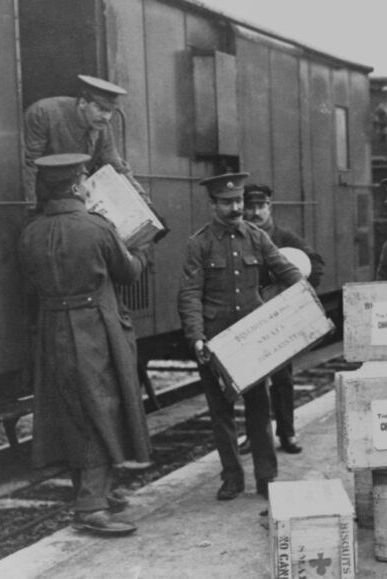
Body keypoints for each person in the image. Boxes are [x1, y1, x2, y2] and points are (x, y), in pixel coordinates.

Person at [17, 153, 152, 537]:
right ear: (77, 185)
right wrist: (142, 250)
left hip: (51, 327)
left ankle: (94, 493)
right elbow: (127, 273)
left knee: (72, 409)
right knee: (102, 408)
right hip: (94, 328)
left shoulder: (30, 232)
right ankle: (91, 506)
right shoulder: (97, 227)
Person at [177, 173, 303, 501]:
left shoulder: (257, 237)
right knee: (221, 413)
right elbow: (190, 293)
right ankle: (232, 477)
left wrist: (304, 297)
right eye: (227, 202)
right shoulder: (199, 243)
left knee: (259, 408)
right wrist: (197, 337)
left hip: (252, 340)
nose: (236, 208)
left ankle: (266, 477)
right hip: (216, 341)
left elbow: (285, 269)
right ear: (213, 204)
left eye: (239, 201)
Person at [23, 74, 167, 241]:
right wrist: (30, 207)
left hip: (76, 200)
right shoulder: (44, 113)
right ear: (83, 103)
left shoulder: (101, 128)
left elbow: (117, 168)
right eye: (101, 109)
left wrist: (147, 207)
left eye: (110, 112)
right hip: (43, 200)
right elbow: (28, 165)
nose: (106, 117)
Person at [240, 184, 326, 455]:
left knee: (282, 379)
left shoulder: (284, 238)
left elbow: (316, 265)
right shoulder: (239, 237)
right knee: (252, 381)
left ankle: (287, 433)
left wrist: (290, 287)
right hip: (251, 317)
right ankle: (255, 436)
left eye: (260, 206)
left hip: (278, 318)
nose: (255, 212)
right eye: (250, 207)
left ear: (270, 207)